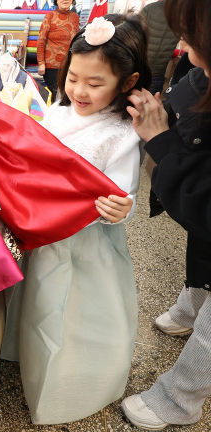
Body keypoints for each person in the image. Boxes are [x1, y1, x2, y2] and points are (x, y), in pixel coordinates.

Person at [2, 13, 151, 424]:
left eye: (95, 83)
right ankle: (24, 351)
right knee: (38, 299)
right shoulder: (59, 113)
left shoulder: (123, 133)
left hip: (87, 244)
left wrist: (124, 208)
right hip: (46, 232)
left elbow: (125, 192)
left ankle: (69, 383)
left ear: (127, 82)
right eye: (73, 78)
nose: (79, 91)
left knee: (72, 312)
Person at [121, 0, 211, 429]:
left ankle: (181, 399)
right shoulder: (198, 76)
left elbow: (204, 203)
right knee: (202, 254)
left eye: (191, 39)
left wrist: (160, 140)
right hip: (203, 226)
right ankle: (191, 307)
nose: (181, 45)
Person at [36, 0, 80, 102]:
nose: (65, 0)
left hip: (69, 65)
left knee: (68, 97)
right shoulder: (50, 16)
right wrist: (41, 63)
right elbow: (41, 40)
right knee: (54, 97)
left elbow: (76, 41)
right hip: (51, 66)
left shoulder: (75, 17)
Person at [142, 0, 179, 95]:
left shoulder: (150, 8)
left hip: (140, 68)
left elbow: (134, 33)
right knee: (151, 104)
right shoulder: (186, 15)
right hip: (158, 73)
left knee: (126, 103)